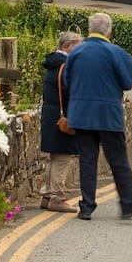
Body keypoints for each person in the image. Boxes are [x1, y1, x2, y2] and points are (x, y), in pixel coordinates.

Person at [60, 12, 132, 221]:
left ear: (89, 29)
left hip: (81, 115)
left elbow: (67, 81)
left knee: (87, 160)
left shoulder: (76, 52)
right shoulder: (114, 52)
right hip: (108, 115)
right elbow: (130, 80)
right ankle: (128, 204)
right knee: (118, 160)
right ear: (109, 31)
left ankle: (87, 207)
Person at [37, 31, 84, 213]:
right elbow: (71, 92)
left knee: (55, 156)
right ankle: (57, 197)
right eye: (77, 47)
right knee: (63, 157)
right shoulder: (65, 66)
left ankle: (47, 195)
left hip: (51, 113)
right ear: (66, 47)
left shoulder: (53, 64)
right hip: (62, 115)